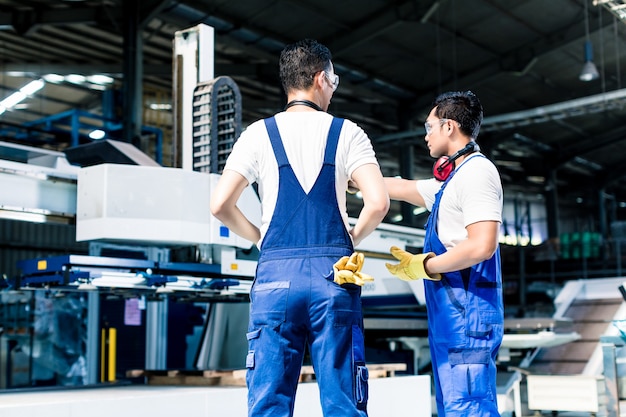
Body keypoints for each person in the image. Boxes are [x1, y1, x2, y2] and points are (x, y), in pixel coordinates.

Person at [210, 38, 389, 417]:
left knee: (269, 401)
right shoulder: (348, 133)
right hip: (335, 277)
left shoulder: (257, 134)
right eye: (334, 81)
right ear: (321, 78)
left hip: (275, 277)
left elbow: (220, 204)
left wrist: (259, 239)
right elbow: (378, 202)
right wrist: (351, 238)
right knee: (343, 401)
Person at [384, 91, 504, 416]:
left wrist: (424, 265)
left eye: (430, 127)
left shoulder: (477, 174)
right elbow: (401, 187)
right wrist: (351, 179)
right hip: (451, 315)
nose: (426, 136)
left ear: (449, 127)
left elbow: (482, 245)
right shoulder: (450, 182)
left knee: (469, 408)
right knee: (455, 406)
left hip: (467, 314)